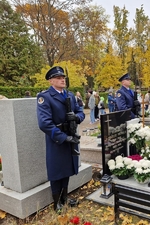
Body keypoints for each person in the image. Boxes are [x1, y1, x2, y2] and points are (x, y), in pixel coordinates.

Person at [36, 66, 85, 212]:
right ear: (51, 81)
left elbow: (81, 111)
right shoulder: (45, 97)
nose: (62, 79)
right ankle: (56, 202)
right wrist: (64, 138)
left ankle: (65, 198)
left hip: (71, 134)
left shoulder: (69, 95)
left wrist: (76, 117)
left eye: (63, 77)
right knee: (56, 171)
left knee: (67, 168)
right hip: (57, 140)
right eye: (58, 78)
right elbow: (44, 124)